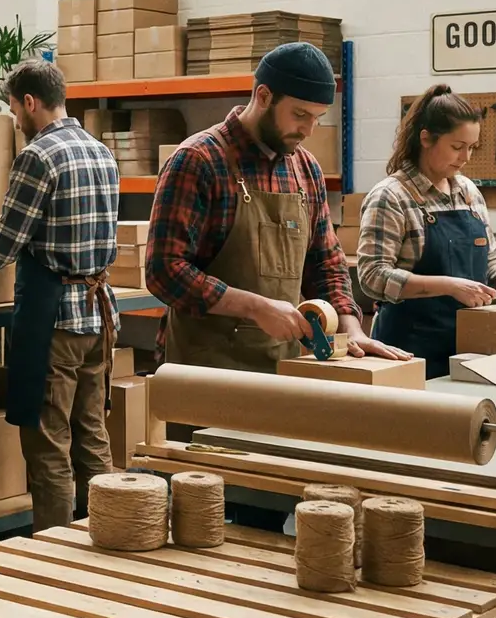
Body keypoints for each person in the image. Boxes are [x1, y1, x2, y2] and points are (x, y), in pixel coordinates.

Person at [145, 42, 409, 373]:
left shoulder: (306, 168)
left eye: (317, 118)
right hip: (206, 369)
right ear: (264, 96)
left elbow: (325, 261)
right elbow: (164, 271)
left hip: (283, 366)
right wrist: (255, 308)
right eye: (299, 114)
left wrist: (350, 327)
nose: (309, 130)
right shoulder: (198, 160)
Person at [0, 62, 120, 532]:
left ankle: (54, 558)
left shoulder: (39, 156)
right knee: (91, 435)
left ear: (30, 103)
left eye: (14, 108)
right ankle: (108, 537)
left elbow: (5, 243)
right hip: (98, 316)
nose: (15, 119)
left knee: (48, 444)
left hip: (55, 320)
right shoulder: (100, 151)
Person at [357, 85, 496, 377]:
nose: (466, 157)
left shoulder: (467, 192)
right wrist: (449, 285)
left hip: (468, 349)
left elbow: (492, 257)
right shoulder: (392, 196)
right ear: (426, 138)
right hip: (407, 353)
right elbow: (372, 277)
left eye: (472, 147)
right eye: (457, 147)